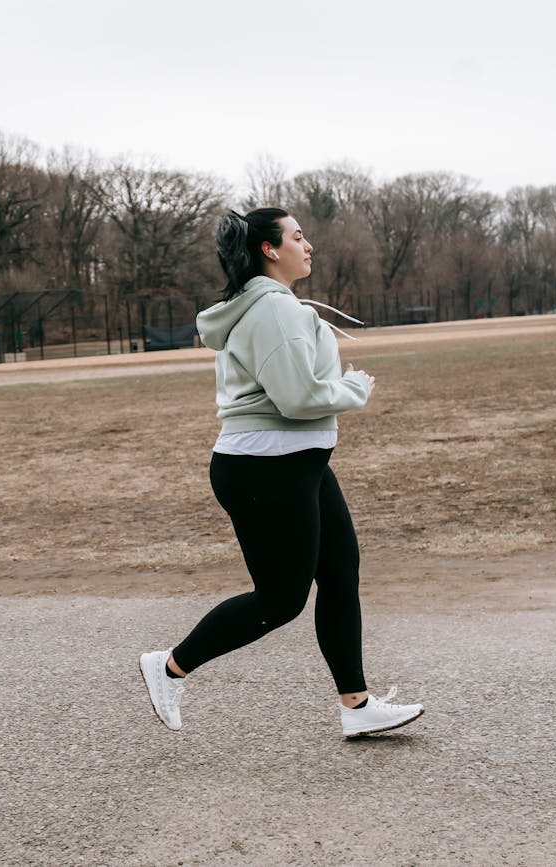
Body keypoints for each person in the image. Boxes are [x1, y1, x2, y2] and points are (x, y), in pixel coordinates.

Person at [139, 207, 425, 738]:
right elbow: (297, 398)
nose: (308, 244)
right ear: (270, 250)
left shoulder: (273, 304)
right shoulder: (272, 309)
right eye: (298, 236)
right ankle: (170, 666)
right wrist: (354, 388)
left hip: (297, 462)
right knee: (280, 599)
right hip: (264, 467)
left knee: (340, 574)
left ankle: (356, 708)